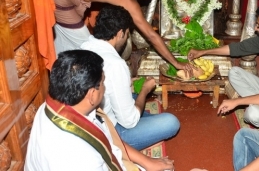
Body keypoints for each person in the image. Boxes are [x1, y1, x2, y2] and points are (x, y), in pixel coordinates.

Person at [25, 50, 175, 171]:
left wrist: (147, 162)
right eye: (103, 82)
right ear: (91, 94)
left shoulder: (56, 107)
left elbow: (109, 142)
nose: (105, 87)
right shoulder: (80, 158)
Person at [46, 0, 191, 73]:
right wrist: (176, 63)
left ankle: (59, 70)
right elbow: (151, 36)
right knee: (92, 50)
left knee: (67, 35)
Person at [81, 5, 180, 150]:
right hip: (110, 132)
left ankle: (145, 119)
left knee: (132, 96)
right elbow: (129, 122)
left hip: (94, 118)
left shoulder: (85, 46)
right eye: (127, 34)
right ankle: (126, 146)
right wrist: (144, 92)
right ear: (120, 33)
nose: (127, 38)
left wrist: (127, 83)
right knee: (171, 122)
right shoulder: (116, 64)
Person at [188, 3, 259, 127]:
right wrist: (203, 52)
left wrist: (237, 102)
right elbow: (236, 48)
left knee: (252, 114)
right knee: (234, 73)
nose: (256, 28)